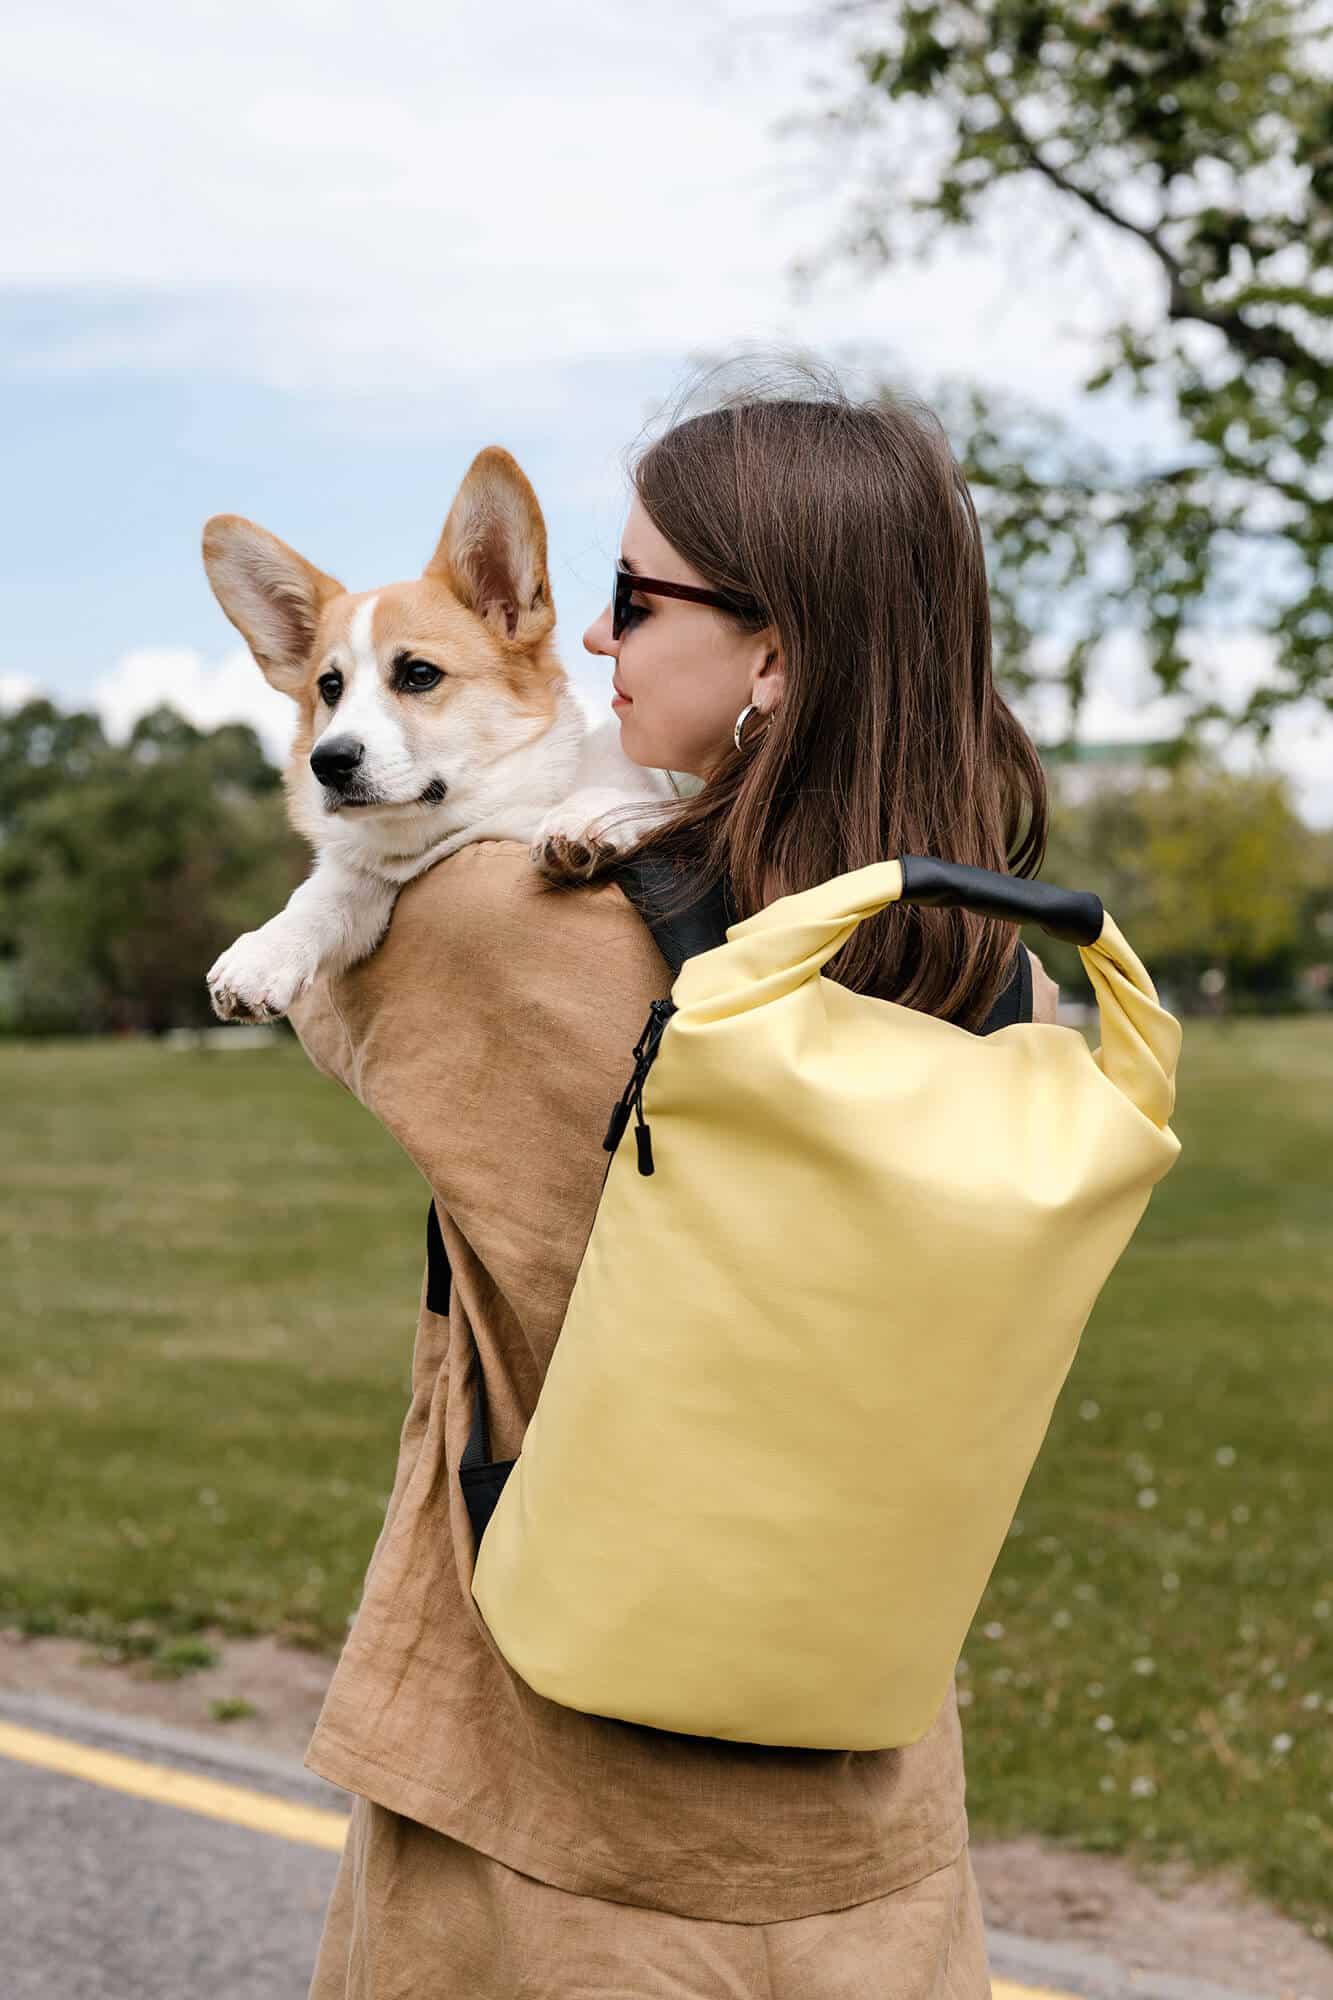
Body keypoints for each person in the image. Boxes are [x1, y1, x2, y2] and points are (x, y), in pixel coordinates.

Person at [288, 359, 1060, 1999]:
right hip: (866, 1799)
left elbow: (331, 933)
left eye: (633, 600)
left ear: (770, 651)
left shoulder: (498, 935)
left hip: (552, 1801)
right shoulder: (1013, 989)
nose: (582, 641)